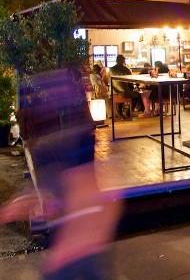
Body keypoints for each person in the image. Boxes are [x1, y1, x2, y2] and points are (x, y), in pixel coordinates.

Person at [0, 68, 122, 279]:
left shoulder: (65, 146)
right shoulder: (71, 142)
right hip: (80, 245)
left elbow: (82, 192)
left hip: (76, 248)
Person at [109, 54, 139, 120]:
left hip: (113, 92)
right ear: (123, 61)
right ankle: (128, 111)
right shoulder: (126, 69)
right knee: (137, 95)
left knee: (122, 94)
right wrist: (133, 88)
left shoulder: (111, 69)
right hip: (124, 92)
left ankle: (119, 112)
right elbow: (130, 82)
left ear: (116, 60)